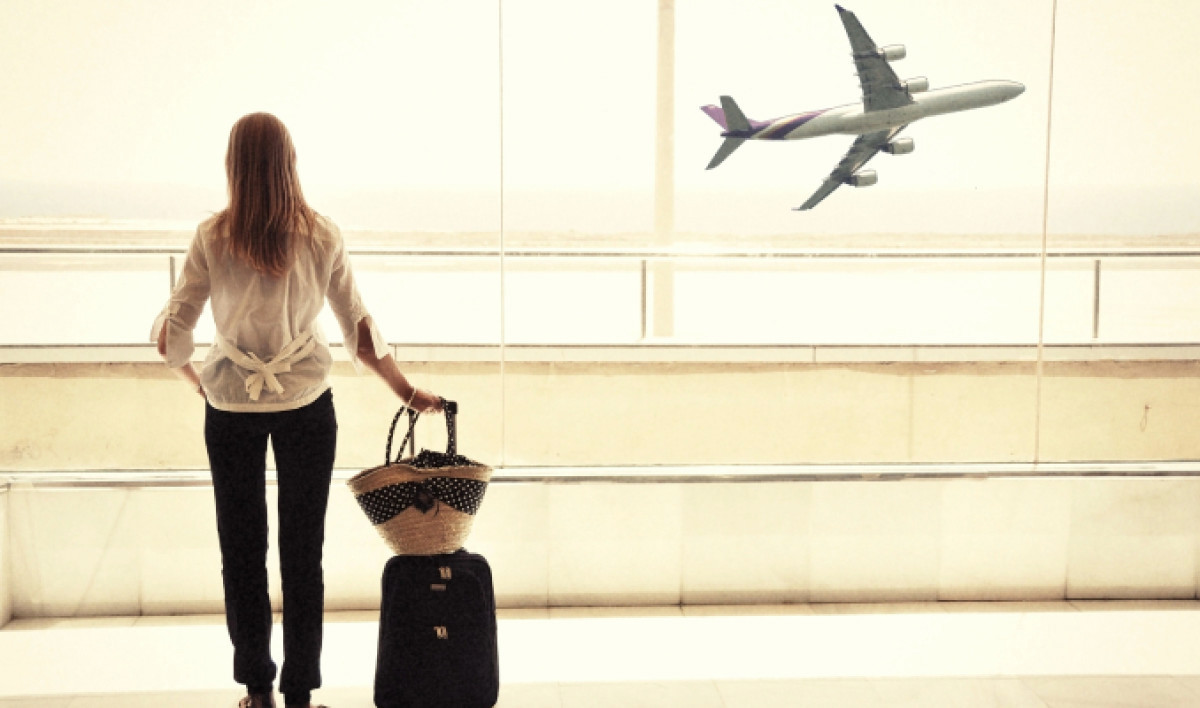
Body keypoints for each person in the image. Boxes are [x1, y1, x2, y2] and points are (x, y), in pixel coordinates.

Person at [152, 112, 442, 708]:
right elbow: (360, 330)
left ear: (233, 165)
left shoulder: (212, 236)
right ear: (290, 163)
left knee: (241, 552)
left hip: (230, 406)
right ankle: (301, 695)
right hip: (307, 407)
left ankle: (257, 692)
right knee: (303, 554)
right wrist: (407, 392)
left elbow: (171, 337)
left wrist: (199, 382)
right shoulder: (321, 235)